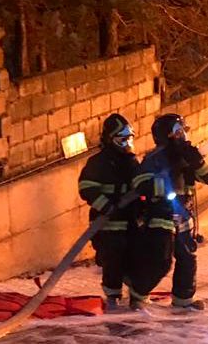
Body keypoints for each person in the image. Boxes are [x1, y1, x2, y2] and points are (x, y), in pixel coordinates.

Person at [127, 113, 208, 311]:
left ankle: (183, 300)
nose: (184, 134)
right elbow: (140, 183)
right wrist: (164, 184)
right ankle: (138, 295)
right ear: (169, 134)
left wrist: (197, 162)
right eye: (180, 131)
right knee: (161, 260)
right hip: (161, 215)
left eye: (184, 131)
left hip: (184, 216)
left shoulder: (188, 156)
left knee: (187, 257)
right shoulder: (155, 158)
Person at [77, 113, 140, 312]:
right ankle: (113, 297)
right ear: (110, 139)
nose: (127, 143)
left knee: (135, 258)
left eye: (129, 138)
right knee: (112, 261)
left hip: (130, 222)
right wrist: (107, 206)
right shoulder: (99, 162)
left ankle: (136, 297)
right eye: (122, 139)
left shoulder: (132, 162)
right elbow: (86, 188)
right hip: (108, 224)